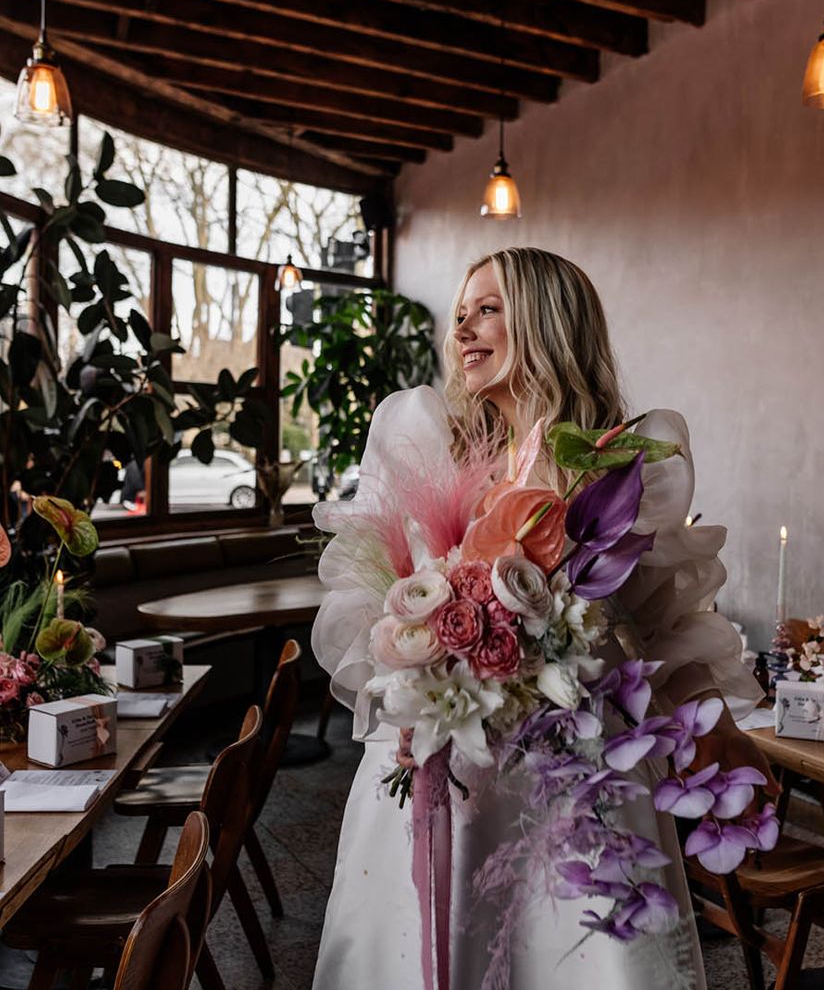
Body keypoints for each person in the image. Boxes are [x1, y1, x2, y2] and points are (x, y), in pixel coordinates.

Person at [311, 247, 773, 989]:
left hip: (575, 769)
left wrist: (722, 733)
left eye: (488, 309)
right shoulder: (433, 450)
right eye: (461, 314)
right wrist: (401, 688)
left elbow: (665, 624)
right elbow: (377, 602)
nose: (463, 329)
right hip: (441, 756)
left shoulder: (619, 468)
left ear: (547, 323)